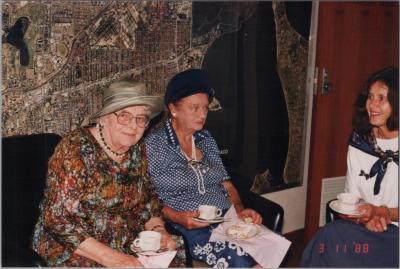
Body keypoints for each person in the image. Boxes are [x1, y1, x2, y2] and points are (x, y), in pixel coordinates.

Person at [31, 79, 186, 267]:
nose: (133, 126)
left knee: (174, 255)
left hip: (125, 240)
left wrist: (158, 230)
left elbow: (148, 200)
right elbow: (57, 220)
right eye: (124, 116)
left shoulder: (137, 150)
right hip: (76, 248)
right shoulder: (75, 149)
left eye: (141, 118)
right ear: (103, 118)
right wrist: (114, 259)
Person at [145, 69, 263, 268]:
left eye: (206, 108)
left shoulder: (205, 138)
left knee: (267, 245)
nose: (203, 114)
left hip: (226, 218)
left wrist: (240, 211)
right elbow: (146, 198)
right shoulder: (155, 145)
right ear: (173, 108)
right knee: (240, 258)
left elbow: (226, 184)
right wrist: (178, 217)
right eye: (195, 108)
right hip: (186, 226)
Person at [301, 67, 399, 267]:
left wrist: (382, 213)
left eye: (382, 98)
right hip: (365, 226)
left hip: (395, 233)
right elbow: (352, 195)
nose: (373, 104)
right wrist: (366, 218)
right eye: (370, 97)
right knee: (330, 236)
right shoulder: (360, 142)